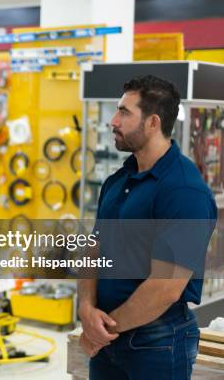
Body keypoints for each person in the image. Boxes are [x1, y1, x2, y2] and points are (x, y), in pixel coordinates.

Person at [78, 75, 217, 379]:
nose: (113, 121)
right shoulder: (117, 182)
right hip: (108, 339)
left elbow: (165, 287)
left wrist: (102, 329)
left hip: (157, 343)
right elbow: (93, 249)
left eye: (124, 112)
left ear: (153, 123)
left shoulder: (183, 191)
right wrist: (87, 310)